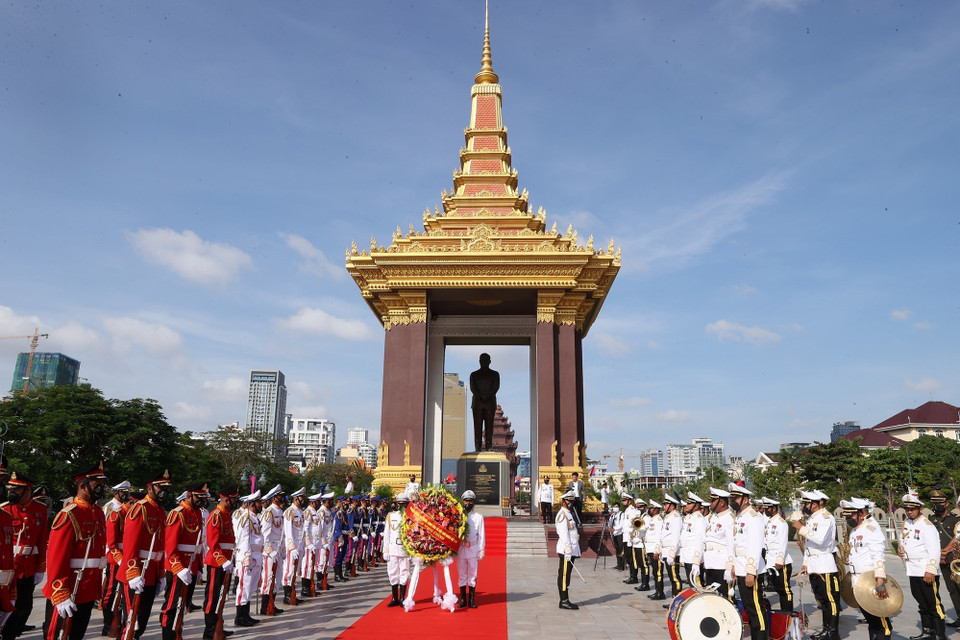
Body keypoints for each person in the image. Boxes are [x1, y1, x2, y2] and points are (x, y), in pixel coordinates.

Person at [42, 462, 108, 640]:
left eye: (102, 482)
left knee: (77, 635)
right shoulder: (69, 514)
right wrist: (60, 590)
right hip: (70, 587)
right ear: (83, 486)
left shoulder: (98, 513)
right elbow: (57, 556)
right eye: (97, 483)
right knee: (58, 635)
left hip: (88, 587)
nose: (102, 487)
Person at [119, 470, 170, 640]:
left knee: (142, 619)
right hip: (136, 572)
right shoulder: (140, 509)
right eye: (160, 487)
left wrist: (161, 574)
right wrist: (133, 572)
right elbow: (130, 545)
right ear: (150, 489)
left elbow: (161, 546)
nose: (164, 491)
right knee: (131, 623)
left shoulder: (161, 512)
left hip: (151, 573)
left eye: (166, 488)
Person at [3, 472, 47, 640]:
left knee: (24, 608)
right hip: (7, 568)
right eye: (10, 489)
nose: (11, 493)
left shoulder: (40, 510)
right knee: (4, 606)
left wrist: (40, 568)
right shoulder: (5, 509)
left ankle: (10, 635)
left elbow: (42, 540)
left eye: (16, 490)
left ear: (27, 490)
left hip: (27, 568)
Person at [159, 483, 206, 640]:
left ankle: (177, 632)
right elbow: (170, 547)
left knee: (183, 604)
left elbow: (197, 544)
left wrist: (199, 567)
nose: (201, 500)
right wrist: (179, 568)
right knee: (171, 605)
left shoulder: (197, 513)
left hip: (190, 566)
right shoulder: (177, 513)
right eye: (198, 497)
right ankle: (168, 635)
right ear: (189, 496)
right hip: (177, 568)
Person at [791, 490, 840, 640]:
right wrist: (805, 564)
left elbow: (819, 539)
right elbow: (809, 545)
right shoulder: (813, 518)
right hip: (814, 564)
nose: (805, 506)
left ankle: (833, 632)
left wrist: (801, 528)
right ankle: (826, 629)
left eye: (808, 503)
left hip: (825, 565)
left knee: (830, 600)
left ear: (818, 503)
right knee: (822, 600)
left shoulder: (826, 518)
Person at [900, 491, 947, 640]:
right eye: (907, 509)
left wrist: (930, 571)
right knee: (921, 602)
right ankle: (928, 631)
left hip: (924, 568)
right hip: (912, 569)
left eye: (912, 509)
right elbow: (905, 541)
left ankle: (940, 634)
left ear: (919, 508)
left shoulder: (927, 525)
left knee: (934, 603)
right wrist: (902, 550)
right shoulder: (907, 523)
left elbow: (934, 550)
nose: (909, 511)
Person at [842, 498, 891, 640]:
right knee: (871, 619)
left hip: (870, 578)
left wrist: (880, 581)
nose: (848, 519)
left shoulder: (872, 528)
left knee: (881, 621)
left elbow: (878, 556)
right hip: (858, 579)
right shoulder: (857, 527)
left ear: (861, 513)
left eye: (851, 515)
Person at [729, 483, 768, 640]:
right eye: (732, 497)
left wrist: (750, 571)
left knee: (756, 609)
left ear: (745, 499)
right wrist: (733, 566)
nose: (733, 500)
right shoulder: (739, 517)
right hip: (740, 567)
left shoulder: (753, 518)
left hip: (751, 569)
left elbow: (755, 546)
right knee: (749, 608)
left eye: (736, 498)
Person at [202, 485, 238, 640]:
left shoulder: (226, 515)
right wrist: (223, 560)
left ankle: (218, 626)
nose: (235, 501)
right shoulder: (216, 515)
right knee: (213, 596)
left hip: (226, 561)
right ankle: (209, 631)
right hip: (217, 562)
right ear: (225, 499)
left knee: (222, 596)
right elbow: (212, 543)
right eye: (233, 499)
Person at [929, 490, 960, 628]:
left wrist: (945, 552)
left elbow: (957, 538)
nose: (937, 505)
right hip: (939, 560)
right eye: (935, 503)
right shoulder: (930, 520)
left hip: (954, 559)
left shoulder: (955, 519)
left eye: (940, 502)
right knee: (952, 589)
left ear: (947, 504)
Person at [232, 490, 262, 628]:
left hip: (257, 555)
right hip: (248, 556)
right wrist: (246, 556)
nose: (260, 504)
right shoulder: (246, 518)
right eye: (258, 502)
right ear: (251, 504)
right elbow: (243, 539)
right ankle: (240, 616)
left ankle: (246, 614)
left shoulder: (255, 518)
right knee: (244, 587)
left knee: (251, 587)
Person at [761, 497, 794, 612]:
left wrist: (779, 559)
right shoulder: (770, 522)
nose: (766, 510)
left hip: (781, 562)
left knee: (785, 590)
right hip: (771, 560)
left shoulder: (781, 523)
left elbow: (783, 542)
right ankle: (783, 613)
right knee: (779, 589)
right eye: (765, 508)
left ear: (774, 508)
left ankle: (787, 613)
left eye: (768, 508)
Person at [703, 486, 735, 600]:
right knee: (711, 596)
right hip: (710, 562)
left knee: (725, 597)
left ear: (721, 502)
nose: (710, 503)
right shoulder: (712, 517)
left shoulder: (730, 518)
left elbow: (731, 545)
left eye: (713, 501)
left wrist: (729, 567)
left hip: (721, 563)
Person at [259, 485, 285, 615]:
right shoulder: (269, 512)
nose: (282, 499)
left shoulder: (280, 511)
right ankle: (265, 607)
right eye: (280, 496)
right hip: (270, 551)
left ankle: (272, 603)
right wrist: (269, 550)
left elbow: (282, 532)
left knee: (278, 577)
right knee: (268, 577)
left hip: (278, 548)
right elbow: (264, 534)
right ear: (274, 498)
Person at [457, 490, 485, 609]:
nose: (468, 503)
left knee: (473, 574)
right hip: (461, 549)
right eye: (466, 500)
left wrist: (481, 549)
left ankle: (472, 600)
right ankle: (463, 599)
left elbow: (481, 534)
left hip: (473, 548)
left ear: (474, 502)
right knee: (462, 574)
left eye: (470, 501)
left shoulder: (478, 517)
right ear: (462, 502)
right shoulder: (458, 515)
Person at [383, 493, 410, 607]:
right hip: (393, 548)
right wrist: (385, 550)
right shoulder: (391, 516)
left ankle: (403, 598)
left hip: (405, 549)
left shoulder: (410, 517)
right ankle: (394, 598)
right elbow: (387, 533)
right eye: (400, 503)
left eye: (404, 504)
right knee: (393, 572)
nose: (402, 506)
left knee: (404, 572)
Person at [469, 353, 500, 451]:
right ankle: (478, 447)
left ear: (489, 362)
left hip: (486, 403)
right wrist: (485, 396)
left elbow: (496, 387)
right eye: (482, 360)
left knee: (489, 426)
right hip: (480, 403)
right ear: (479, 362)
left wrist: (484, 396)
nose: (484, 363)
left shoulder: (495, 374)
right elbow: (472, 388)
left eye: (485, 361)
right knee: (477, 426)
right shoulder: (473, 375)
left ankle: (488, 446)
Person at [555, 491, 580, 610]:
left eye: (572, 500)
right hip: (567, 550)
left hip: (572, 548)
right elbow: (563, 533)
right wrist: (567, 548)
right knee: (564, 575)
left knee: (567, 575)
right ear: (563, 501)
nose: (570, 503)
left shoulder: (570, 514)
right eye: (568, 500)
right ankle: (564, 600)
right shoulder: (562, 515)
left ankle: (565, 599)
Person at [281, 488, 306, 605]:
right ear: (296, 499)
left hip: (300, 545)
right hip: (293, 546)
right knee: (289, 570)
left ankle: (293, 594)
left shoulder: (301, 512)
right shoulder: (289, 512)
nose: (303, 500)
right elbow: (288, 531)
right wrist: (292, 546)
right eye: (301, 498)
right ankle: (287, 595)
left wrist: (304, 545)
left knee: (295, 571)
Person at [678, 492, 706, 590]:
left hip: (693, 556)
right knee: (691, 585)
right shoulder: (689, 518)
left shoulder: (699, 519)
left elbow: (700, 540)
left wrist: (697, 561)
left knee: (697, 585)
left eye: (689, 503)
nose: (686, 505)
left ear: (696, 506)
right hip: (687, 555)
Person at [660, 495, 682, 598]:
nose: (664, 507)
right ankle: (674, 599)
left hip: (671, 552)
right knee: (671, 576)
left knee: (675, 577)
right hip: (666, 550)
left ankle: (677, 599)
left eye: (666, 505)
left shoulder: (676, 517)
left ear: (672, 506)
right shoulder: (667, 517)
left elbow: (676, 536)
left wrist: (672, 554)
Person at [645, 500, 665, 600]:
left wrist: (656, 551)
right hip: (650, 549)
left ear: (656, 509)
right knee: (654, 572)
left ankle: (660, 592)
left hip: (655, 550)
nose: (650, 510)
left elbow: (658, 537)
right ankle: (657, 591)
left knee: (658, 572)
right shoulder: (652, 520)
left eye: (651, 508)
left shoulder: (658, 521)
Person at [316, 492, 336, 590]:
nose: (333, 502)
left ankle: (325, 581)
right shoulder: (321, 512)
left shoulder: (329, 511)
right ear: (327, 501)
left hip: (330, 540)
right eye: (331, 500)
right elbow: (320, 529)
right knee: (321, 562)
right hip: (323, 542)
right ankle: (320, 582)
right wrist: (323, 541)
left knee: (328, 562)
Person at [609, 502, 624, 571]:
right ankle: (618, 563)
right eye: (614, 506)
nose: (615, 508)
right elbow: (610, 523)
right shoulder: (612, 515)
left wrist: (615, 529)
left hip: (620, 533)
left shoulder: (621, 514)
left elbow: (621, 525)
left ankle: (622, 564)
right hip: (614, 533)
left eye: (617, 506)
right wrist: (610, 528)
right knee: (617, 549)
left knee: (621, 549)